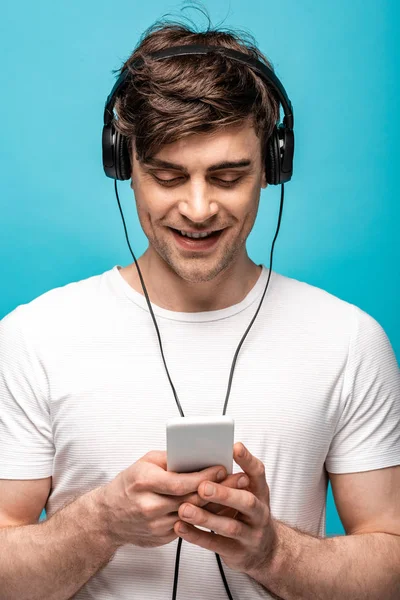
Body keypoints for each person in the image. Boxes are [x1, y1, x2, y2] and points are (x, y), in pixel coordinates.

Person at [0, 17, 399, 600]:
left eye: (228, 176)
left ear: (273, 167)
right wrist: (102, 523)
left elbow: (390, 567)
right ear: (124, 165)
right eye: (167, 176)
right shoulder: (32, 338)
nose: (198, 207)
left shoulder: (349, 340)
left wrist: (271, 551)